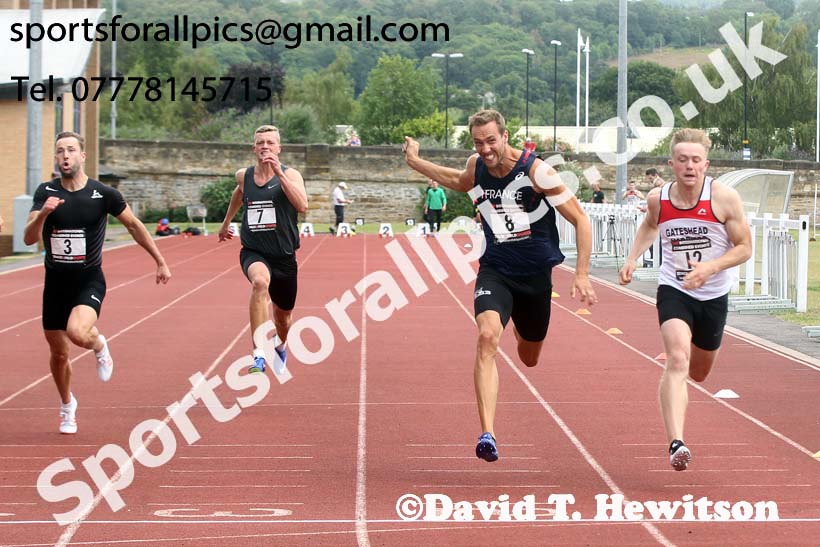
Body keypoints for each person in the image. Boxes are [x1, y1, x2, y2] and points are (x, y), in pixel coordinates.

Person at [403, 109, 597, 462]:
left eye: (491, 141)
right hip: (496, 269)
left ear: (506, 136)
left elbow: (581, 219)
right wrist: (417, 163)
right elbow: (459, 181)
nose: (486, 149)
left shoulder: (537, 171)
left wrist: (581, 273)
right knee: (487, 336)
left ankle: (523, 328)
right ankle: (487, 433)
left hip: (536, 278)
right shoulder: (477, 164)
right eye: (479, 142)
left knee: (529, 356)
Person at [619, 128, 752, 471]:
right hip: (674, 290)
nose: (689, 166)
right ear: (672, 163)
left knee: (700, 372)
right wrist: (633, 257)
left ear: (706, 164)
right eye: (682, 160)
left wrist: (710, 267)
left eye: (696, 160)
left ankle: (691, 367)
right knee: (677, 358)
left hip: (712, 294)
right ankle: (676, 442)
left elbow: (744, 248)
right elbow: (650, 225)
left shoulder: (723, 198)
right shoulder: (658, 199)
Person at [23, 131, 172, 434]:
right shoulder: (45, 191)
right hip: (55, 283)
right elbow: (28, 238)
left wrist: (160, 260)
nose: (65, 156)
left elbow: (134, 225)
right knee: (59, 353)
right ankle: (68, 406)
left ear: (82, 156)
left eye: (71, 150)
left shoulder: (103, 194)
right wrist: (44, 214)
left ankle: (99, 344)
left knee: (78, 332)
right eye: (60, 151)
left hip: (88, 279)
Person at [218, 125, 308, 375]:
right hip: (254, 250)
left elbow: (302, 206)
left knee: (283, 318)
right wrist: (226, 223)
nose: (265, 147)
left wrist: (279, 173)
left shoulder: (292, 175)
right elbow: (239, 193)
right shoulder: (243, 175)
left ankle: (281, 345)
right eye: (260, 143)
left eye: (270, 142)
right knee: (259, 282)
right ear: (253, 148)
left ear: (279, 148)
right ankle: (258, 353)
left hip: (285, 256)